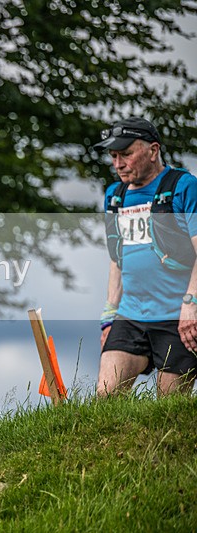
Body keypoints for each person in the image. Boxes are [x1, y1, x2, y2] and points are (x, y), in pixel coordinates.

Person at [95, 117, 197, 397]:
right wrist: (109, 314)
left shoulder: (184, 187)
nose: (118, 164)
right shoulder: (114, 196)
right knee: (106, 396)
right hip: (130, 316)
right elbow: (119, 258)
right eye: (113, 156)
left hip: (179, 318)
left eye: (126, 154)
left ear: (153, 151)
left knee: (168, 406)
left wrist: (191, 304)